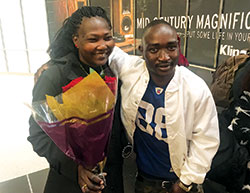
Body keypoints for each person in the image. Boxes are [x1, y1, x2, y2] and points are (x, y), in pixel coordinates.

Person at [108, 20, 220, 193]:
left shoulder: (195, 88)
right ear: (141, 51)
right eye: (154, 49)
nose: (164, 57)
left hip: (181, 182)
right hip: (144, 179)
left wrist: (186, 181)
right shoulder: (132, 70)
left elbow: (206, 140)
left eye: (171, 47)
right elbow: (109, 51)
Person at [28, 6, 128, 193]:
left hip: (111, 176)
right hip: (71, 181)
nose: (102, 45)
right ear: (76, 40)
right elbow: (37, 134)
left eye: (107, 37)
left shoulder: (113, 69)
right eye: (93, 39)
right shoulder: (54, 76)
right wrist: (75, 168)